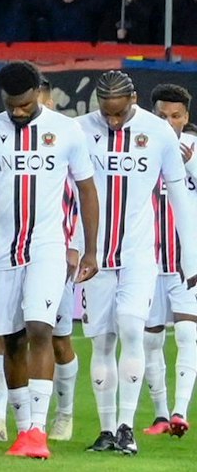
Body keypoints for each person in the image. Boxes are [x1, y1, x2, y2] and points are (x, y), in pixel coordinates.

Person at [0, 60, 102, 460]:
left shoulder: (65, 131)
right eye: (12, 105)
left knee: (41, 328)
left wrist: (90, 248)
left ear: (38, 94)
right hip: (4, 248)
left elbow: (87, 191)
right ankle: (23, 429)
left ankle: (39, 431)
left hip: (47, 247)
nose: (19, 111)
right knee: (10, 339)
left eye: (25, 104)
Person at [79, 71, 197, 454]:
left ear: (133, 99)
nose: (112, 120)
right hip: (93, 254)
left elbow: (179, 196)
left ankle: (128, 426)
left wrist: (191, 257)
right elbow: (61, 189)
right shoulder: (79, 130)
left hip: (137, 254)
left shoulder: (157, 132)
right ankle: (106, 428)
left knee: (132, 330)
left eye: (119, 113)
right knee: (101, 341)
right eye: (105, 113)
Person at [142, 84, 197, 435]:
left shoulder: (193, 150)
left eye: (176, 116)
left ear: (186, 117)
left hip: (186, 264)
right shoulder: (139, 150)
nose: (169, 122)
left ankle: (180, 411)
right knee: (150, 340)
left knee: (189, 334)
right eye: (162, 116)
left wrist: (189, 166)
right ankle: (161, 415)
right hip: (147, 262)